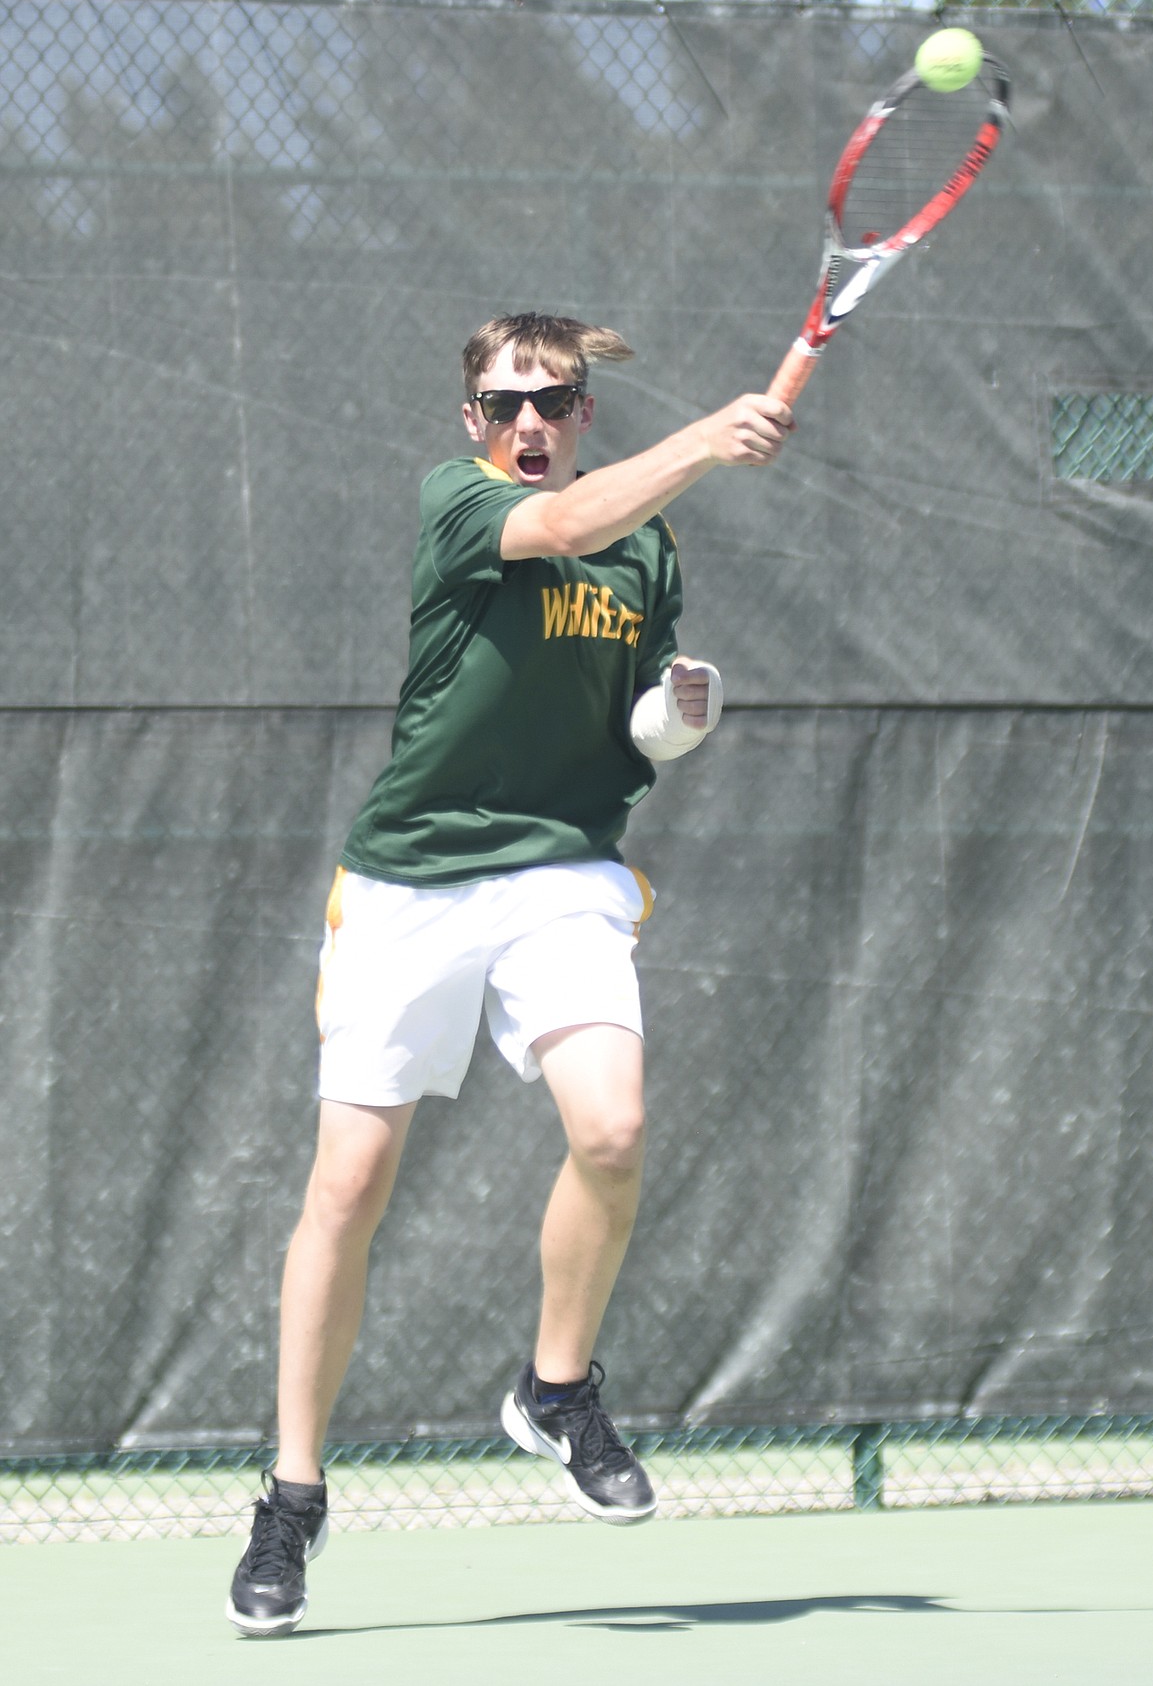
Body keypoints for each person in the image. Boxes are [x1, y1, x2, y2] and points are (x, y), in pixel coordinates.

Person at [226, 311, 793, 1636]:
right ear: (468, 421)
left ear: (585, 410)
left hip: (559, 870)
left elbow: (634, 725)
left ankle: (555, 1388)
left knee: (613, 1125)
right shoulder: (461, 503)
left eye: (551, 403)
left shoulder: (646, 545)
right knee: (347, 1186)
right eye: (501, 404)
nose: (524, 425)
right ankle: (292, 1496)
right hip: (410, 882)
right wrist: (709, 437)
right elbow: (554, 530)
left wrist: (676, 713)